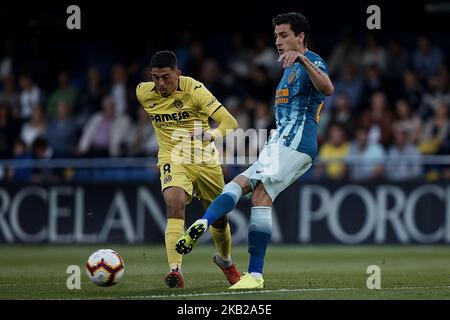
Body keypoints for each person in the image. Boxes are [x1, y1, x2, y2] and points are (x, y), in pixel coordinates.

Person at [176, 12, 334, 289]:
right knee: (249, 191)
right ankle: (207, 227)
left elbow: (328, 89)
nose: (278, 41)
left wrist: (303, 59)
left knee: (254, 190)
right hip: (281, 142)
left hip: (296, 142)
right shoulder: (287, 70)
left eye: (284, 35)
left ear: (300, 37)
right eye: (276, 36)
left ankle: (251, 270)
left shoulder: (312, 61)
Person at [136, 50, 240, 288]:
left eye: (166, 77)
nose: (160, 83)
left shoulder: (195, 90)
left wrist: (209, 134)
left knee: (220, 219)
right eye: (155, 77)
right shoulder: (143, 93)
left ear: (178, 74)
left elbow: (230, 123)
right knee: (174, 203)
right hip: (172, 158)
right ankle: (175, 270)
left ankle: (225, 262)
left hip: (205, 160)